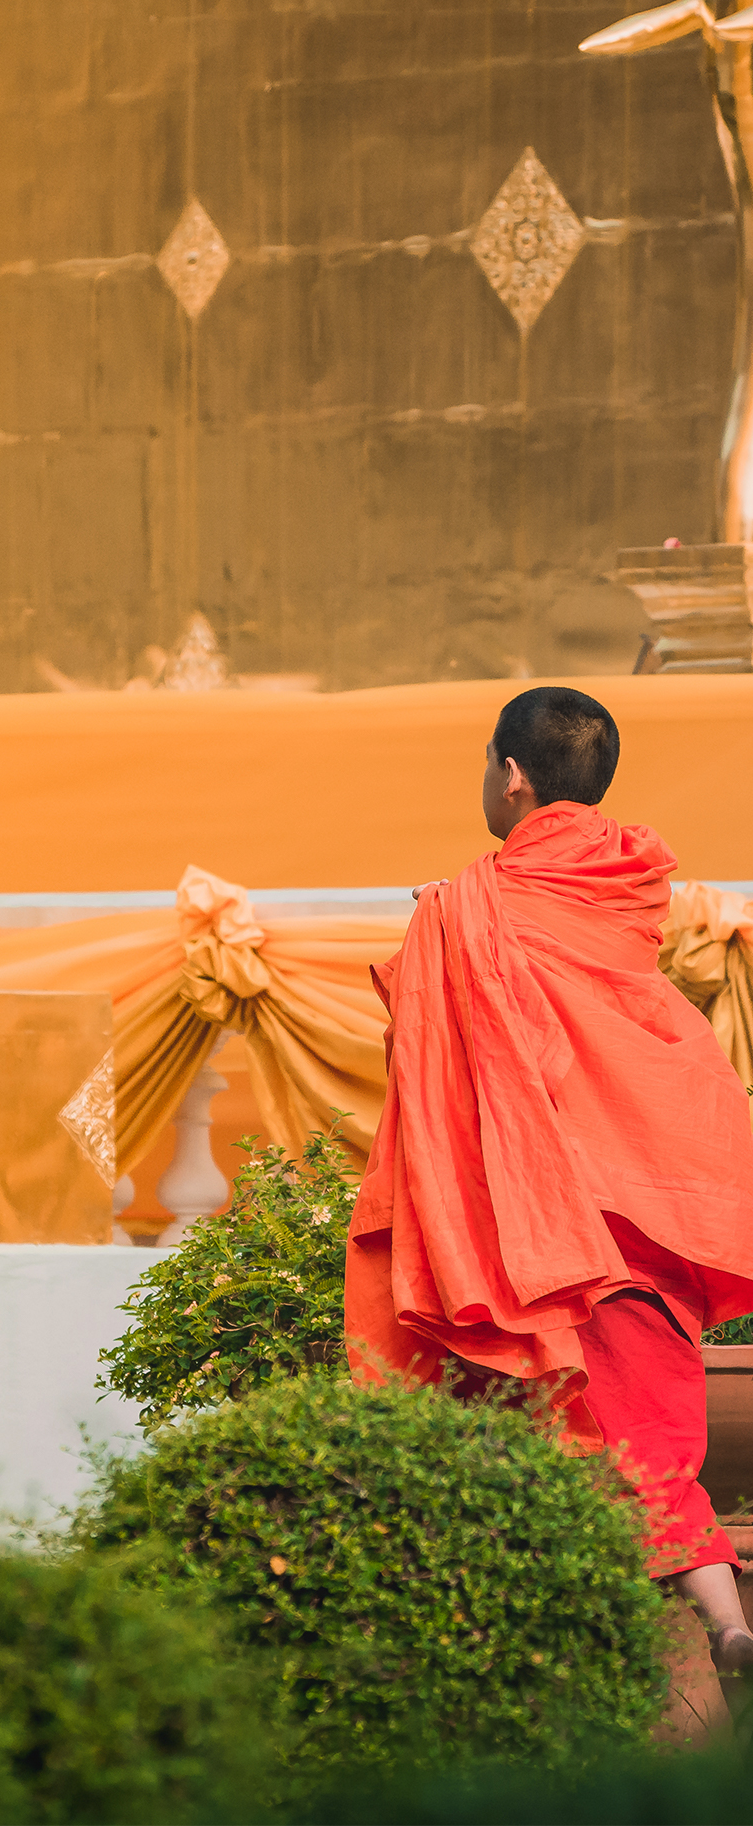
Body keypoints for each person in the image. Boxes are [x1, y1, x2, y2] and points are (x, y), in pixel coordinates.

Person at [346, 686, 753, 1672]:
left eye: (488, 764)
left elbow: (445, 1066)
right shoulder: (625, 885)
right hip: (646, 1203)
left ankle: (589, 1645)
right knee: (648, 1425)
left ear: (511, 773)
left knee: (562, 1426)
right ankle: (721, 1613)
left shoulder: (462, 908)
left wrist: (429, 960)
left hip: (537, 1222)